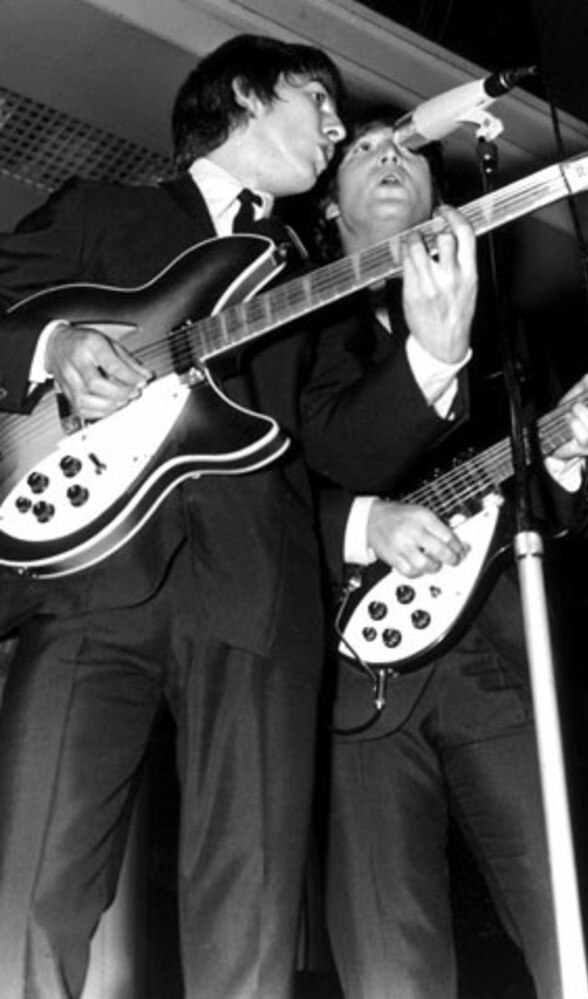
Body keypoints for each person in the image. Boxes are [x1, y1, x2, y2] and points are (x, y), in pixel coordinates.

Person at [0, 33, 355, 999]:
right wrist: (58, 342)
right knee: (28, 905)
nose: (336, 128)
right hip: (89, 586)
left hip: (257, 597)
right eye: (317, 100)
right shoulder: (105, 211)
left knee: (248, 929)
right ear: (245, 92)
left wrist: (437, 362)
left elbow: (345, 442)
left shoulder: (307, 274)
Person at [308, 118, 588, 998]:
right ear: (327, 208)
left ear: (443, 202)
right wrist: (362, 523)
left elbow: (548, 505)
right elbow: (252, 497)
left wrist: (570, 451)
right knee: (390, 956)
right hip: (353, 670)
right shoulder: (291, 332)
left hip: (500, 653)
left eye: (409, 150)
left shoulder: (506, 334)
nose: (390, 156)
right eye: (360, 150)